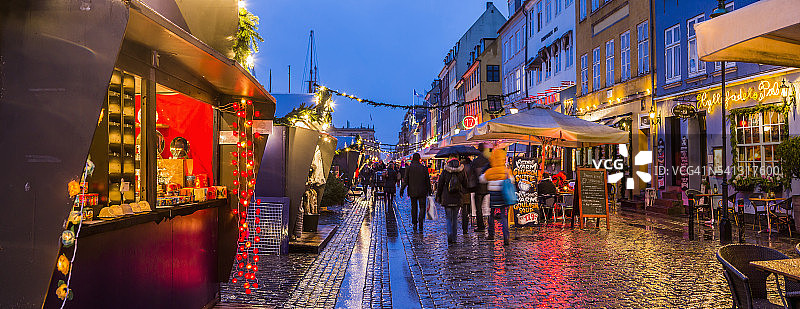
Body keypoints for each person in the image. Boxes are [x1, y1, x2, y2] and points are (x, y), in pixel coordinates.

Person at [480, 148, 513, 245]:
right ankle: (506, 236)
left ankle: (491, 233)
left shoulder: (490, 171)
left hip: (493, 195)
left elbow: (482, 179)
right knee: (504, 215)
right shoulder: (505, 170)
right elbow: (512, 180)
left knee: (492, 214)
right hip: (503, 195)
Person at [436, 154, 467, 244]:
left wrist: (438, 195)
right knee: (455, 218)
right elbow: (465, 183)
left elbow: (440, 184)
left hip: (447, 197)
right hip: (457, 197)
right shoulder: (461, 170)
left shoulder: (445, 171)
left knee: (448, 218)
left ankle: (449, 233)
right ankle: (454, 238)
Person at [400, 153, 432, 231]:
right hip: (422, 191)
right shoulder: (424, 168)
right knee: (422, 207)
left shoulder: (409, 168)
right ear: (419, 159)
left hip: (412, 191)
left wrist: (402, 190)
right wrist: (429, 191)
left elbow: (406, 180)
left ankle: (414, 223)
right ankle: (421, 220)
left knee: (414, 207)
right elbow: (427, 181)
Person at [471, 143, 491, 232]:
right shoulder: (488, 161)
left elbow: (472, 176)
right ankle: (491, 226)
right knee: (491, 208)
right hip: (488, 187)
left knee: (478, 208)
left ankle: (481, 226)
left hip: (478, 188)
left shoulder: (475, 162)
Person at [460, 156, 474, 235]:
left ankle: (464, 227)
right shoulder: (471, 166)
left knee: (463, 209)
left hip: (462, 190)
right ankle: (466, 226)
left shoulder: (461, 167)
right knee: (467, 209)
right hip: (469, 189)